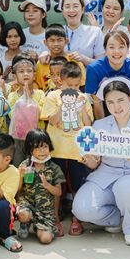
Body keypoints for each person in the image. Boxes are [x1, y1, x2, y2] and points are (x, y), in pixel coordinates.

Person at [73, 77, 130, 246]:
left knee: (126, 185)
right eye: (110, 103)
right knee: (81, 209)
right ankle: (117, 218)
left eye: (121, 100)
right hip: (106, 176)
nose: (117, 107)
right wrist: (88, 159)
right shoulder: (99, 126)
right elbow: (94, 163)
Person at [40, 61, 94, 236]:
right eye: (69, 86)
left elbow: (88, 123)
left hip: (76, 151)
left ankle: (77, 217)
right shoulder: (53, 97)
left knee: (77, 187)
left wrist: (81, 107)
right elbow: (53, 120)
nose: (74, 89)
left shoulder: (83, 98)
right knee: (57, 187)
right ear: (60, 82)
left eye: (77, 85)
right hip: (57, 150)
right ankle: (54, 218)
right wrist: (65, 103)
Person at [15, 129, 65, 244]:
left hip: (45, 211)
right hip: (27, 205)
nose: (42, 151)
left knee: (46, 239)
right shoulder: (25, 165)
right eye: (37, 147)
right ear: (30, 149)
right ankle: (24, 223)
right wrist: (20, 177)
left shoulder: (54, 168)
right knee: (23, 214)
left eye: (45, 146)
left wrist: (47, 185)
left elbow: (58, 192)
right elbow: (17, 190)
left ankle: (38, 227)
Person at [85, 31, 130, 119]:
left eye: (121, 47)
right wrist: (102, 126)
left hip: (125, 106)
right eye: (111, 47)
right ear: (105, 49)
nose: (116, 51)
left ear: (128, 49)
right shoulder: (94, 69)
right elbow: (97, 102)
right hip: (102, 107)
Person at [7, 56, 46, 165]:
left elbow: (42, 114)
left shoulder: (40, 94)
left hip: (36, 138)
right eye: (21, 71)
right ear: (14, 76)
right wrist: (24, 99)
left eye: (29, 71)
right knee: (18, 165)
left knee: (36, 166)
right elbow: (12, 115)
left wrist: (30, 98)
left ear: (34, 75)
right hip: (18, 138)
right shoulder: (12, 96)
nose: (25, 74)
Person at [59, 0, 104, 66]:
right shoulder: (57, 31)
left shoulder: (95, 32)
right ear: (63, 11)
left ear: (82, 9)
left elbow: (101, 64)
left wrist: (84, 59)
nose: (71, 10)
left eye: (75, 6)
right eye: (67, 7)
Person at [36, 25, 86, 91]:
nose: (56, 44)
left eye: (59, 40)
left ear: (66, 41)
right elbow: (40, 88)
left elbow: (82, 86)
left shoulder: (75, 62)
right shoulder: (41, 63)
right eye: (52, 40)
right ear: (45, 42)